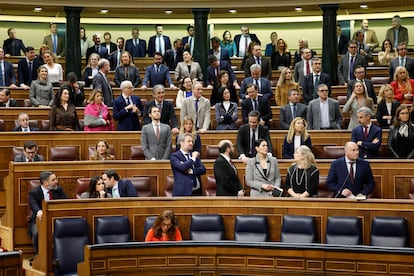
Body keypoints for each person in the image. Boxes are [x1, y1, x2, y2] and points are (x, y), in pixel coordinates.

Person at [29, 171, 68, 254]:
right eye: (53, 180)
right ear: (46, 183)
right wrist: (39, 211)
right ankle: (40, 255)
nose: (56, 181)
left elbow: (66, 202)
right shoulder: (34, 192)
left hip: (57, 220)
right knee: (37, 233)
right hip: (39, 221)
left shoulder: (59, 189)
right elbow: (33, 204)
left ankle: (61, 255)